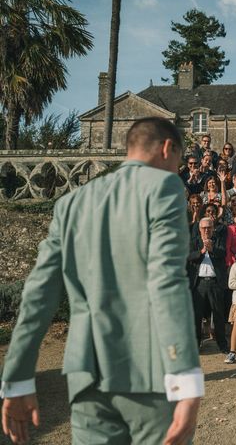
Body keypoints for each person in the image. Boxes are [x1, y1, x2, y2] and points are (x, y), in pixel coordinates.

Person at [1, 117, 202, 444]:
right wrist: (185, 376)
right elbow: (165, 280)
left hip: (85, 376)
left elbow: (38, 293)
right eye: (178, 162)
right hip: (148, 375)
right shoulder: (164, 186)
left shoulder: (69, 204)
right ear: (167, 149)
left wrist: (18, 378)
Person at [188, 217, 229, 354]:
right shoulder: (194, 241)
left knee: (218, 315)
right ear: (199, 229)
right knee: (196, 316)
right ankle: (196, 344)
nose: (206, 230)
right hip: (198, 284)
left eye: (209, 227)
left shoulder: (218, 239)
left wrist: (211, 250)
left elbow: (223, 253)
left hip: (215, 282)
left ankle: (222, 345)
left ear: (213, 228)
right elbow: (189, 256)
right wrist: (201, 251)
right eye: (204, 228)